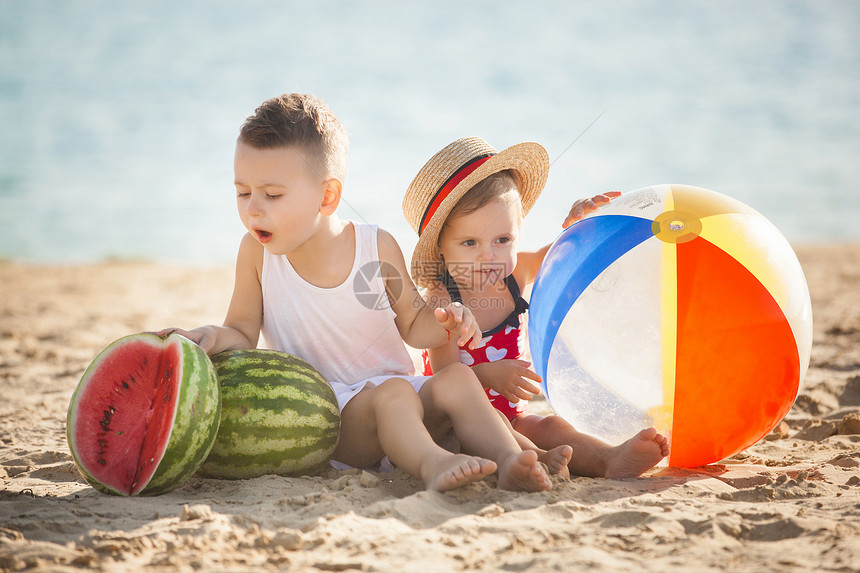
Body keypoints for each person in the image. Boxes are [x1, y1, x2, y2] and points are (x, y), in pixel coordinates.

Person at [161, 94, 553, 493]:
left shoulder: (376, 247)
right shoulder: (256, 254)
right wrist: (209, 336)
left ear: (328, 196)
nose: (253, 210)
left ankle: (508, 461)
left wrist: (448, 322)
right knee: (394, 394)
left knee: (456, 379)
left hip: (406, 402)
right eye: (243, 192)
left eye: (272, 195)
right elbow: (242, 332)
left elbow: (416, 326)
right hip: (330, 417)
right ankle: (434, 463)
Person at [401, 136, 670, 478]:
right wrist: (489, 374)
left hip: (515, 418)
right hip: (457, 428)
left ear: (518, 233)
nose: (489, 256)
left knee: (552, 425)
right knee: (500, 422)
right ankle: (539, 458)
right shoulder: (442, 301)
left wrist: (584, 221)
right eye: (470, 243)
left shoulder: (517, 274)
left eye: (503, 240)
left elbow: (568, 253)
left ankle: (608, 458)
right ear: (440, 248)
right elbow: (445, 382)